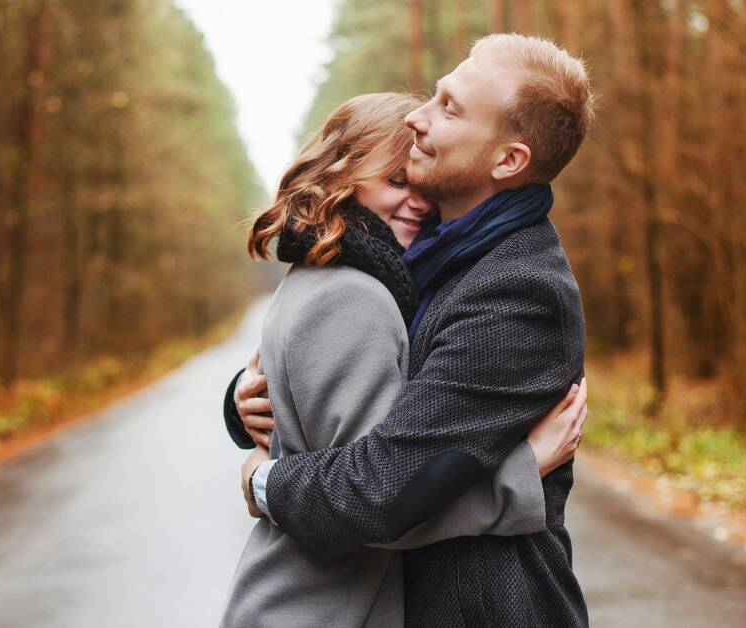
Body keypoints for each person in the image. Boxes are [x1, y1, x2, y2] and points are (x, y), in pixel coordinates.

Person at [220, 92, 589, 627]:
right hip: (317, 608)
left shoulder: (346, 278)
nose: (416, 200)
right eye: (395, 181)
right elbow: (375, 502)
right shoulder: (357, 296)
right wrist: (520, 476)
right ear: (340, 177)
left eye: (420, 184)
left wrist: (241, 406)